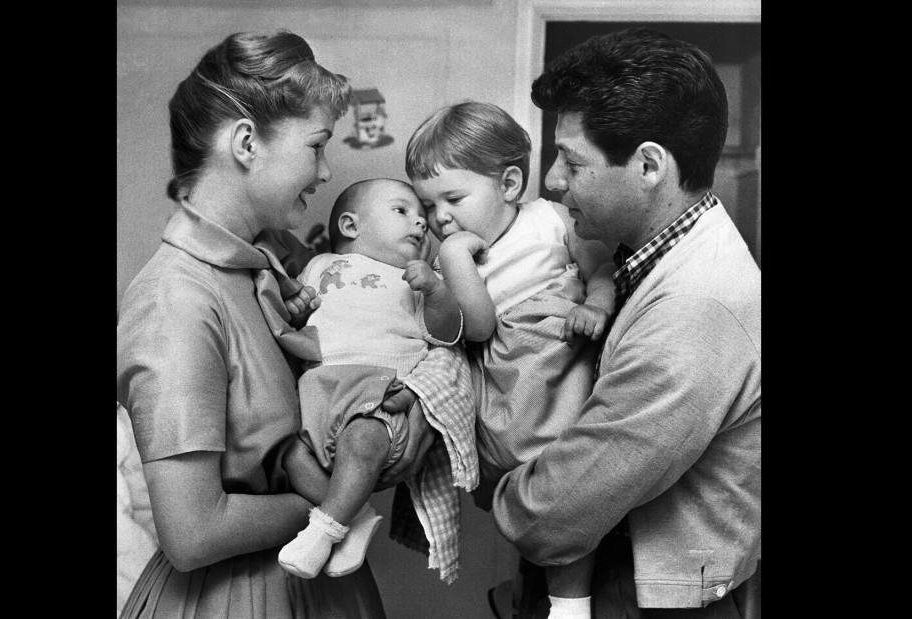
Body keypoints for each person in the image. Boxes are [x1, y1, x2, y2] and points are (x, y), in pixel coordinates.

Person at [116, 30, 435, 618]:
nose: (325, 170)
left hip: (317, 584)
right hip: (237, 599)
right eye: (315, 146)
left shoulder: (272, 268)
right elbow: (192, 534)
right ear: (245, 143)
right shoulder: (175, 300)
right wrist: (339, 502)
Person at [489, 29, 761, 618]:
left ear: (648, 165)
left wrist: (494, 480)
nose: (553, 182)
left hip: (638, 600)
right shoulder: (636, 258)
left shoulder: (696, 305)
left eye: (573, 161)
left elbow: (553, 513)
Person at [405, 101, 617, 619]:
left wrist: (594, 305)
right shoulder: (449, 258)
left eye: (452, 198)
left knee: (571, 481)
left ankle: (570, 601)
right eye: (428, 206)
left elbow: (602, 269)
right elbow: (474, 328)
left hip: (558, 361)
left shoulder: (550, 218)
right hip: (503, 380)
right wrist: (450, 265)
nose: (440, 218)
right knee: (524, 487)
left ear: (508, 185)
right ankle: (545, 589)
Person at [276, 178, 477, 585]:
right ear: (351, 226)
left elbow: (449, 334)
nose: (421, 224)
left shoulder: (414, 281)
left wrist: (437, 294)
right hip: (319, 392)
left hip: (379, 392)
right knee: (291, 457)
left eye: (423, 219)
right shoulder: (318, 266)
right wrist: (297, 309)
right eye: (403, 211)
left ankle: (324, 529)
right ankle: (356, 516)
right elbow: (303, 315)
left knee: (362, 440)